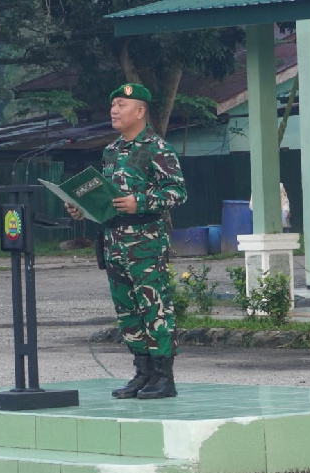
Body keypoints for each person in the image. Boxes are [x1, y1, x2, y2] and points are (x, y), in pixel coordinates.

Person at [65, 83, 187, 400]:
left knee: (154, 308)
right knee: (127, 311)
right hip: (113, 242)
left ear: (140, 111)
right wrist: (82, 208)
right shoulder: (111, 151)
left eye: (121, 105)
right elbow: (106, 198)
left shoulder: (157, 149)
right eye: (113, 105)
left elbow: (177, 192)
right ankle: (142, 373)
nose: (114, 110)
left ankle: (163, 376)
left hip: (145, 243)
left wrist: (139, 202)